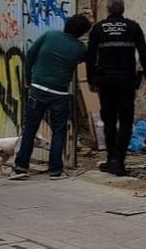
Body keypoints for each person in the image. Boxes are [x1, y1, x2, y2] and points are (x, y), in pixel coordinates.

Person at [10, 14, 93, 181]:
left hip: (38, 89)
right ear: (82, 33)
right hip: (60, 94)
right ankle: (55, 170)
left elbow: (30, 55)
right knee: (59, 131)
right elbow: (89, 61)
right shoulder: (80, 48)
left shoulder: (50, 35)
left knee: (30, 129)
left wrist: (27, 78)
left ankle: (21, 168)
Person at [85, 0, 146, 176]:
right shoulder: (133, 27)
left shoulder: (98, 29)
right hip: (127, 80)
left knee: (109, 120)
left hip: (106, 81)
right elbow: (143, 55)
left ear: (108, 9)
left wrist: (91, 80)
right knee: (126, 120)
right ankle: (118, 161)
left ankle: (110, 158)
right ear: (123, 9)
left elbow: (90, 57)